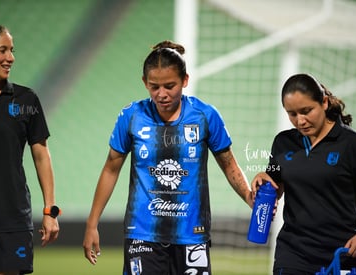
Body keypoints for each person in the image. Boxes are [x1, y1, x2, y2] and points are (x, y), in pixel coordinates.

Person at [83, 40, 252, 274]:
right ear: (145, 83)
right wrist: (92, 224)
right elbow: (111, 168)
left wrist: (248, 196)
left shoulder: (205, 116)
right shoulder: (131, 116)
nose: (161, 94)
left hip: (192, 234)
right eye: (154, 87)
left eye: (170, 86)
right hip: (142, 233)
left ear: (185, 80)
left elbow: (229, 164)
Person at [251, 73, 356, 274]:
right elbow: (276, 185)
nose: (300, 121)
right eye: (292, 114)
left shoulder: (354, 145)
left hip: (342, 254)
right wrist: (264, 179)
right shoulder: (282, 142)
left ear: (324, 102)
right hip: (292, 254)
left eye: (306, 111)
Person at [0, 23, 61, 275]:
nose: (11, 58)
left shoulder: (26, 100)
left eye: (12, 50)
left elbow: (41, 155)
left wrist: (50, 210)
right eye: (3, 50)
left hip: (12, 221)